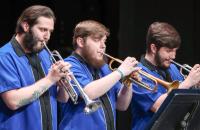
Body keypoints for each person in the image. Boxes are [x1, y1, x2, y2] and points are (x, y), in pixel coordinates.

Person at [58, 20, 140, 130]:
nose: (103, 46)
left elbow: (122, 105)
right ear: (81, 42)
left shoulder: (104, 68)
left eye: (104, 41)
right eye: (97, 40)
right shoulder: (69, 65)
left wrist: (128, 82)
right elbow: (88, 92)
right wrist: (120, 72)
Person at [0, 5, 70, 130]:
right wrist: (50, 79)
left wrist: (65, 84)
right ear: (26, 26)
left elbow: (62, 99)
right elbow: (13, 101)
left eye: (50, 31)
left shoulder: (44, 53)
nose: (47, 36)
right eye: (43, 29)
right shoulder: (4, 56)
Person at [131, 22, 200, 130]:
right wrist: (187, 83)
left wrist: (196, 85)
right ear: (153, 48)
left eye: (175, 51)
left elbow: (185, 100)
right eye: (168, 51)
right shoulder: (137, 73)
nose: (173, 56)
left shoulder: (172, 68)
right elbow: (158, 106)